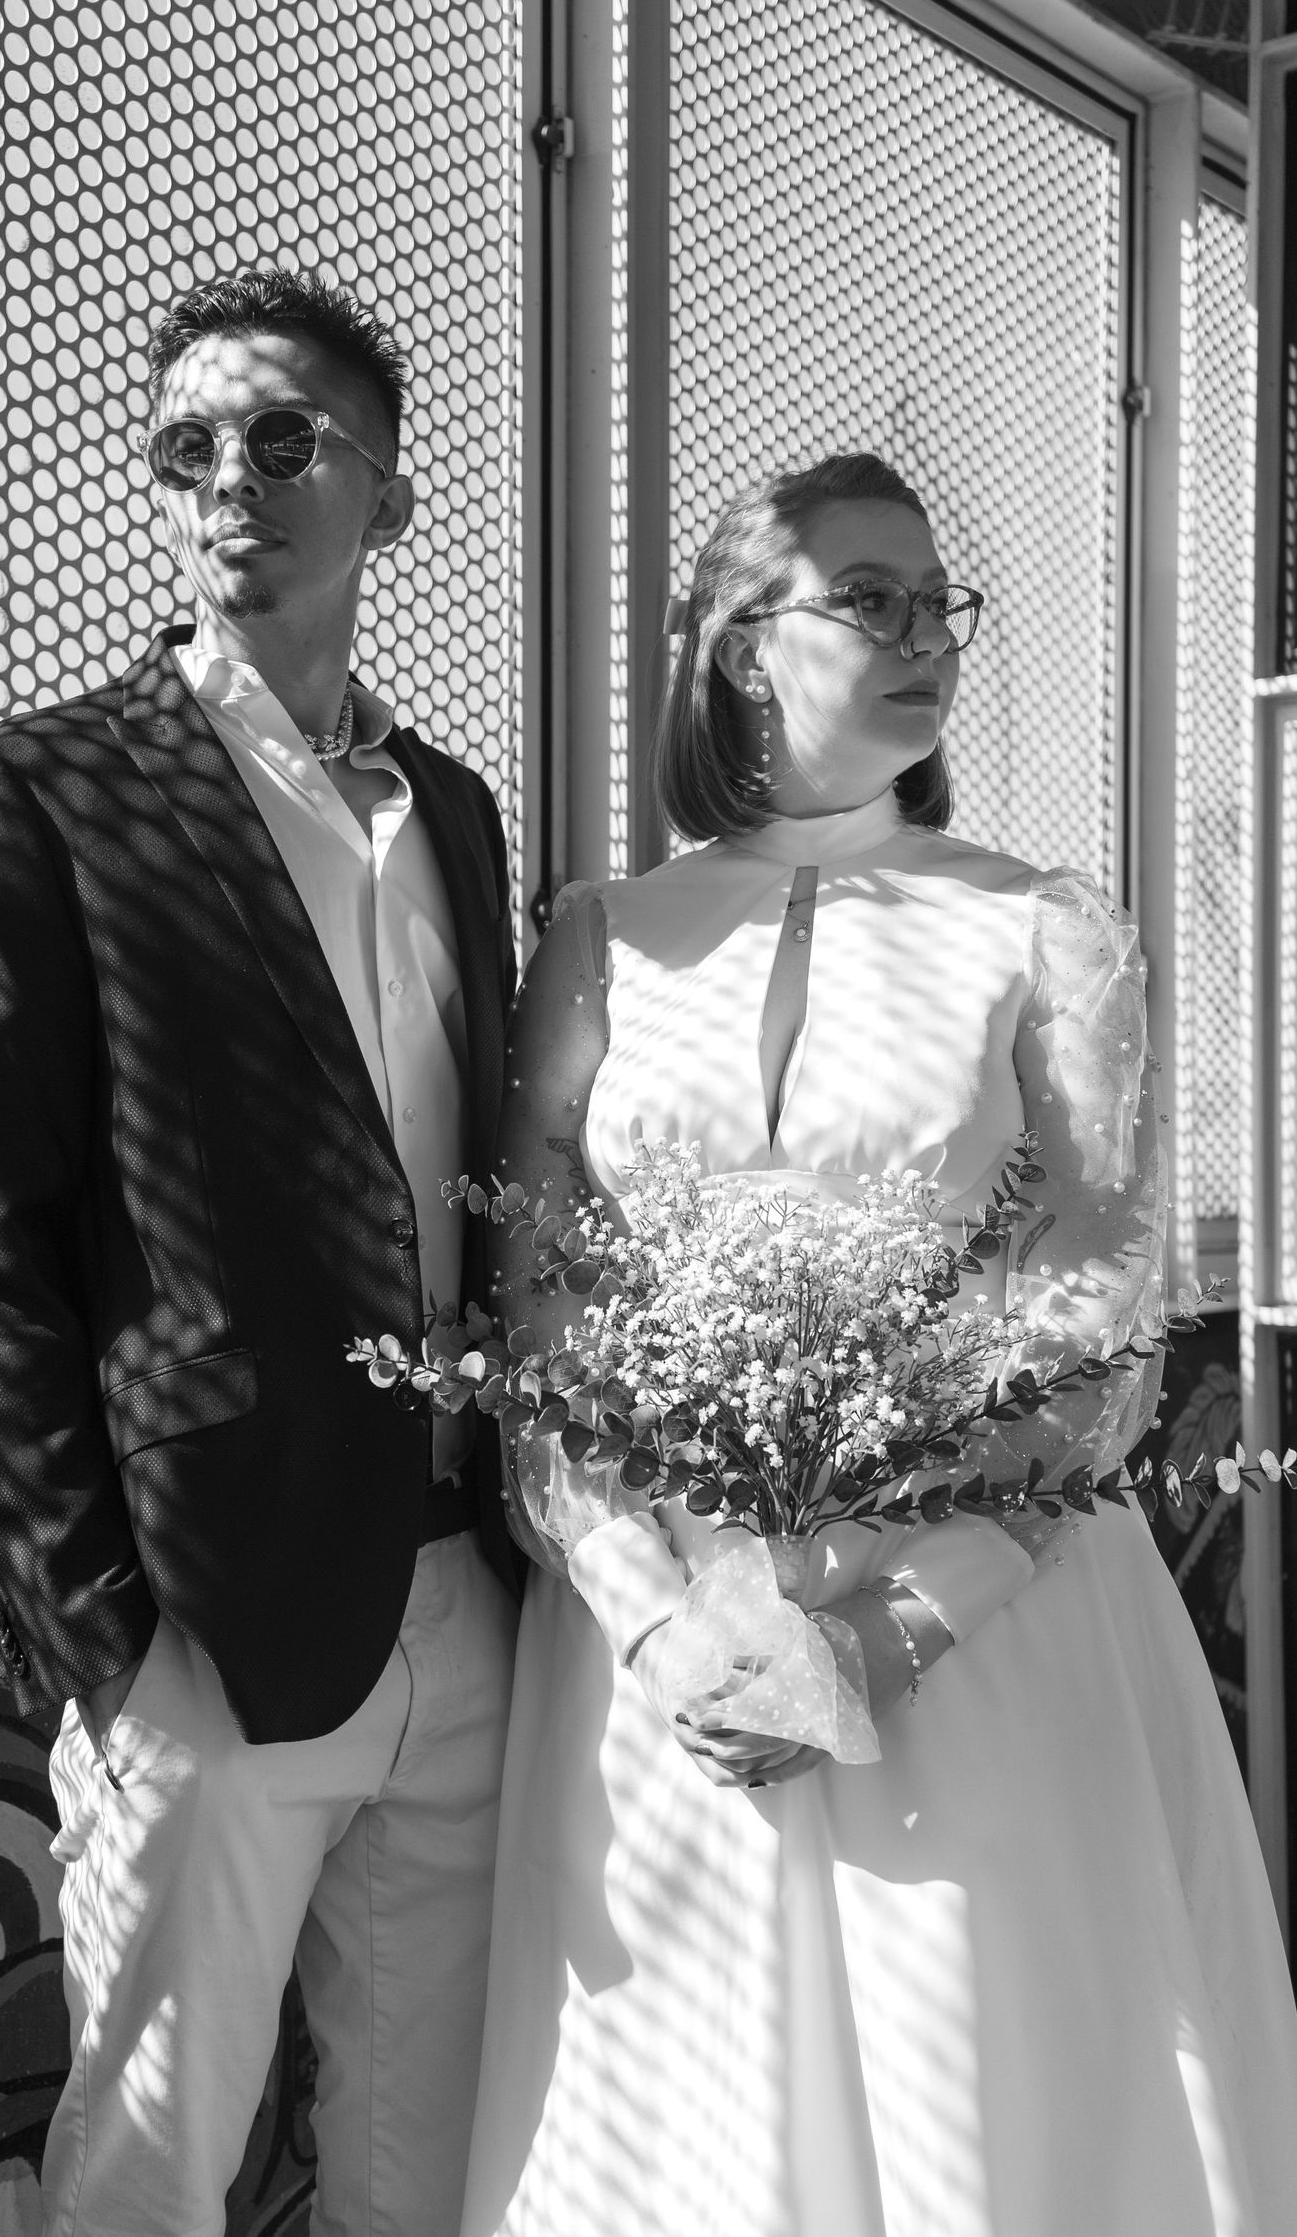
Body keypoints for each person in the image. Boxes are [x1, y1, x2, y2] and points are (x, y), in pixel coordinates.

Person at [459, 453, 1297, 2236]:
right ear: (741, 646)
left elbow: (1101, 1308)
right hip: (665, 1669)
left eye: (940, 604)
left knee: (988, 2134)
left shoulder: (1048, 926)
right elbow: (537, 1309)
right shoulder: (599, 937)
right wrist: (658, 1620)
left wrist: (893, 1634)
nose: (926, 637)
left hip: (987, 1636)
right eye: (870, 599)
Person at [0, 266, 519, 2237]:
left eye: (282, 436)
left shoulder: (459, 820)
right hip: (211, 1618)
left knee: (429, 2179)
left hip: (470, 1601)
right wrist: (104, 1639)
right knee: (149, 2183)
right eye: (187, 447)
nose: (229, 478)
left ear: (389, 495)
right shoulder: (49, 791)